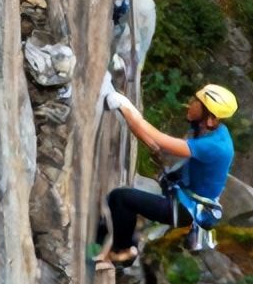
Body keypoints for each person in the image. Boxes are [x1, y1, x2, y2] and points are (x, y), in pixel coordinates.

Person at [93, 77, 238, 268]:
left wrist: (124, 105)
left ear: (210, 118)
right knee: (119, 202)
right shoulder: (210, 130)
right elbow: (153, 142)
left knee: (121, 198)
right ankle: (103, 240)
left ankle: (124, 252)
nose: (191, 103)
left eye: (197, 102)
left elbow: (159, 140)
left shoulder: (214, 146)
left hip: (185, 208)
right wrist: (128, 114)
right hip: (183, 195)